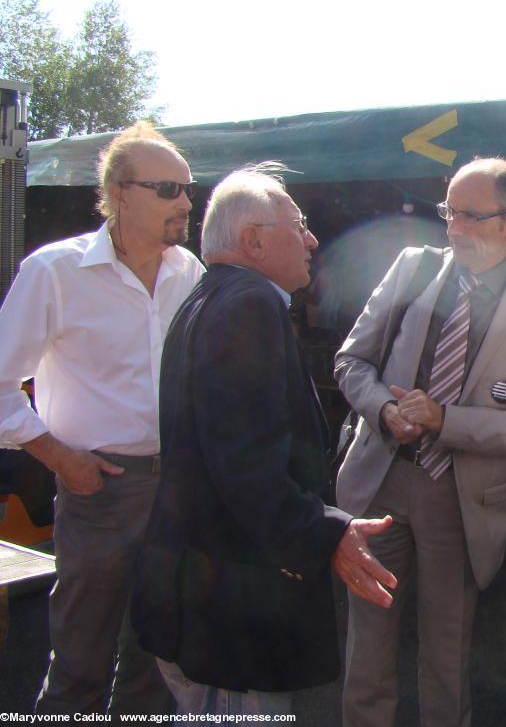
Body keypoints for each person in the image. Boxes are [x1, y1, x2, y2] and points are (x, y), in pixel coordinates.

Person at [128, 163, 397, 715]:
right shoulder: (248, 307)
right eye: (298, 223)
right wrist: (328, 533)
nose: (312, 238)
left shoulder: (212, 298)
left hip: (205, 602)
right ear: (253, 240)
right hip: (228, 616)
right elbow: (246, 469)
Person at [334, 157, 506, 727]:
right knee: (367, 643)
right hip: (381, 480)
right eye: (449, 213)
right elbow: (349, 361)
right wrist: (386, 409)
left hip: (460, 499)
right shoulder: (412, 269)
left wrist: (446, 419)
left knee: (447, 650)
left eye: (472, 216)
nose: (455, 228)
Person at [0, 122, 203, 715]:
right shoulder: (55, 271)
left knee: (155, 660)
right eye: (168, 189)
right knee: (80, 669)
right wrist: (62, 460)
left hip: (176, 487)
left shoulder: (187, 271)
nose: (186, 203)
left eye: (188, 189)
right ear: (118, 193)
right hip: (101, 487)